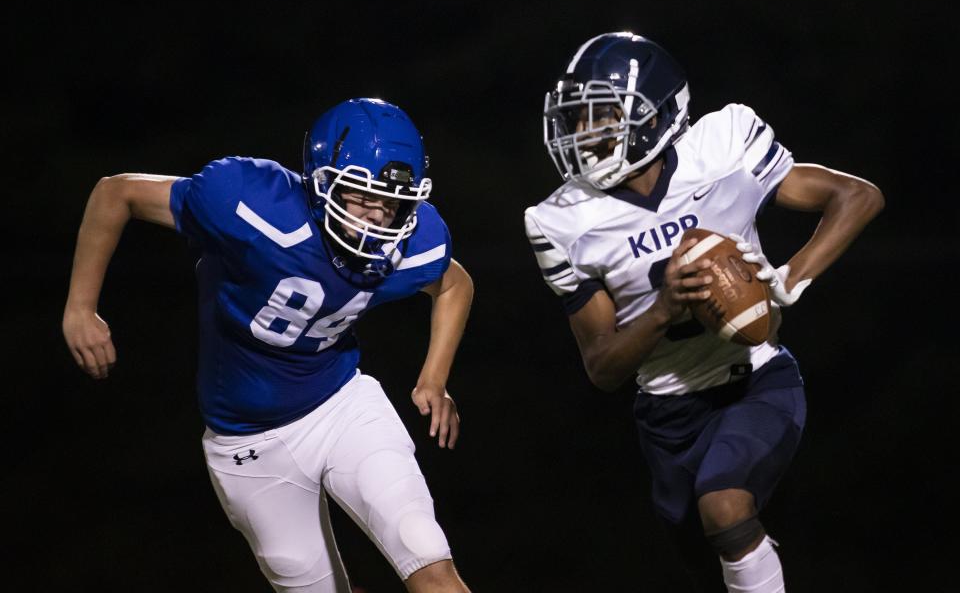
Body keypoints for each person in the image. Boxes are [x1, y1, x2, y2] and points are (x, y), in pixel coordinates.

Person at [63, 98, 473, 593]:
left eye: (392, 204)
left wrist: (434, 377)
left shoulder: (415, 241)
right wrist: (80, 308)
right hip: (247, 442)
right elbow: (117, 193)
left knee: (430, 563)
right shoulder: (248, 204)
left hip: (343, 407)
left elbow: (454, 284)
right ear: (322, 181)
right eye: (362, 198)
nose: (378, 220)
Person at [524, 32, 884, 592]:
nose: (583, 133)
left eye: (602, 115)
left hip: (757, 380)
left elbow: (857, 196)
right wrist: (664, 309)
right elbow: (603, 367)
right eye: (576, 119)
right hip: (667, 414)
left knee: (726, 507)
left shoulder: (722, 147)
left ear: (658, 114)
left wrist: (790, 277)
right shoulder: (560, 221)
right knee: (710, 556)